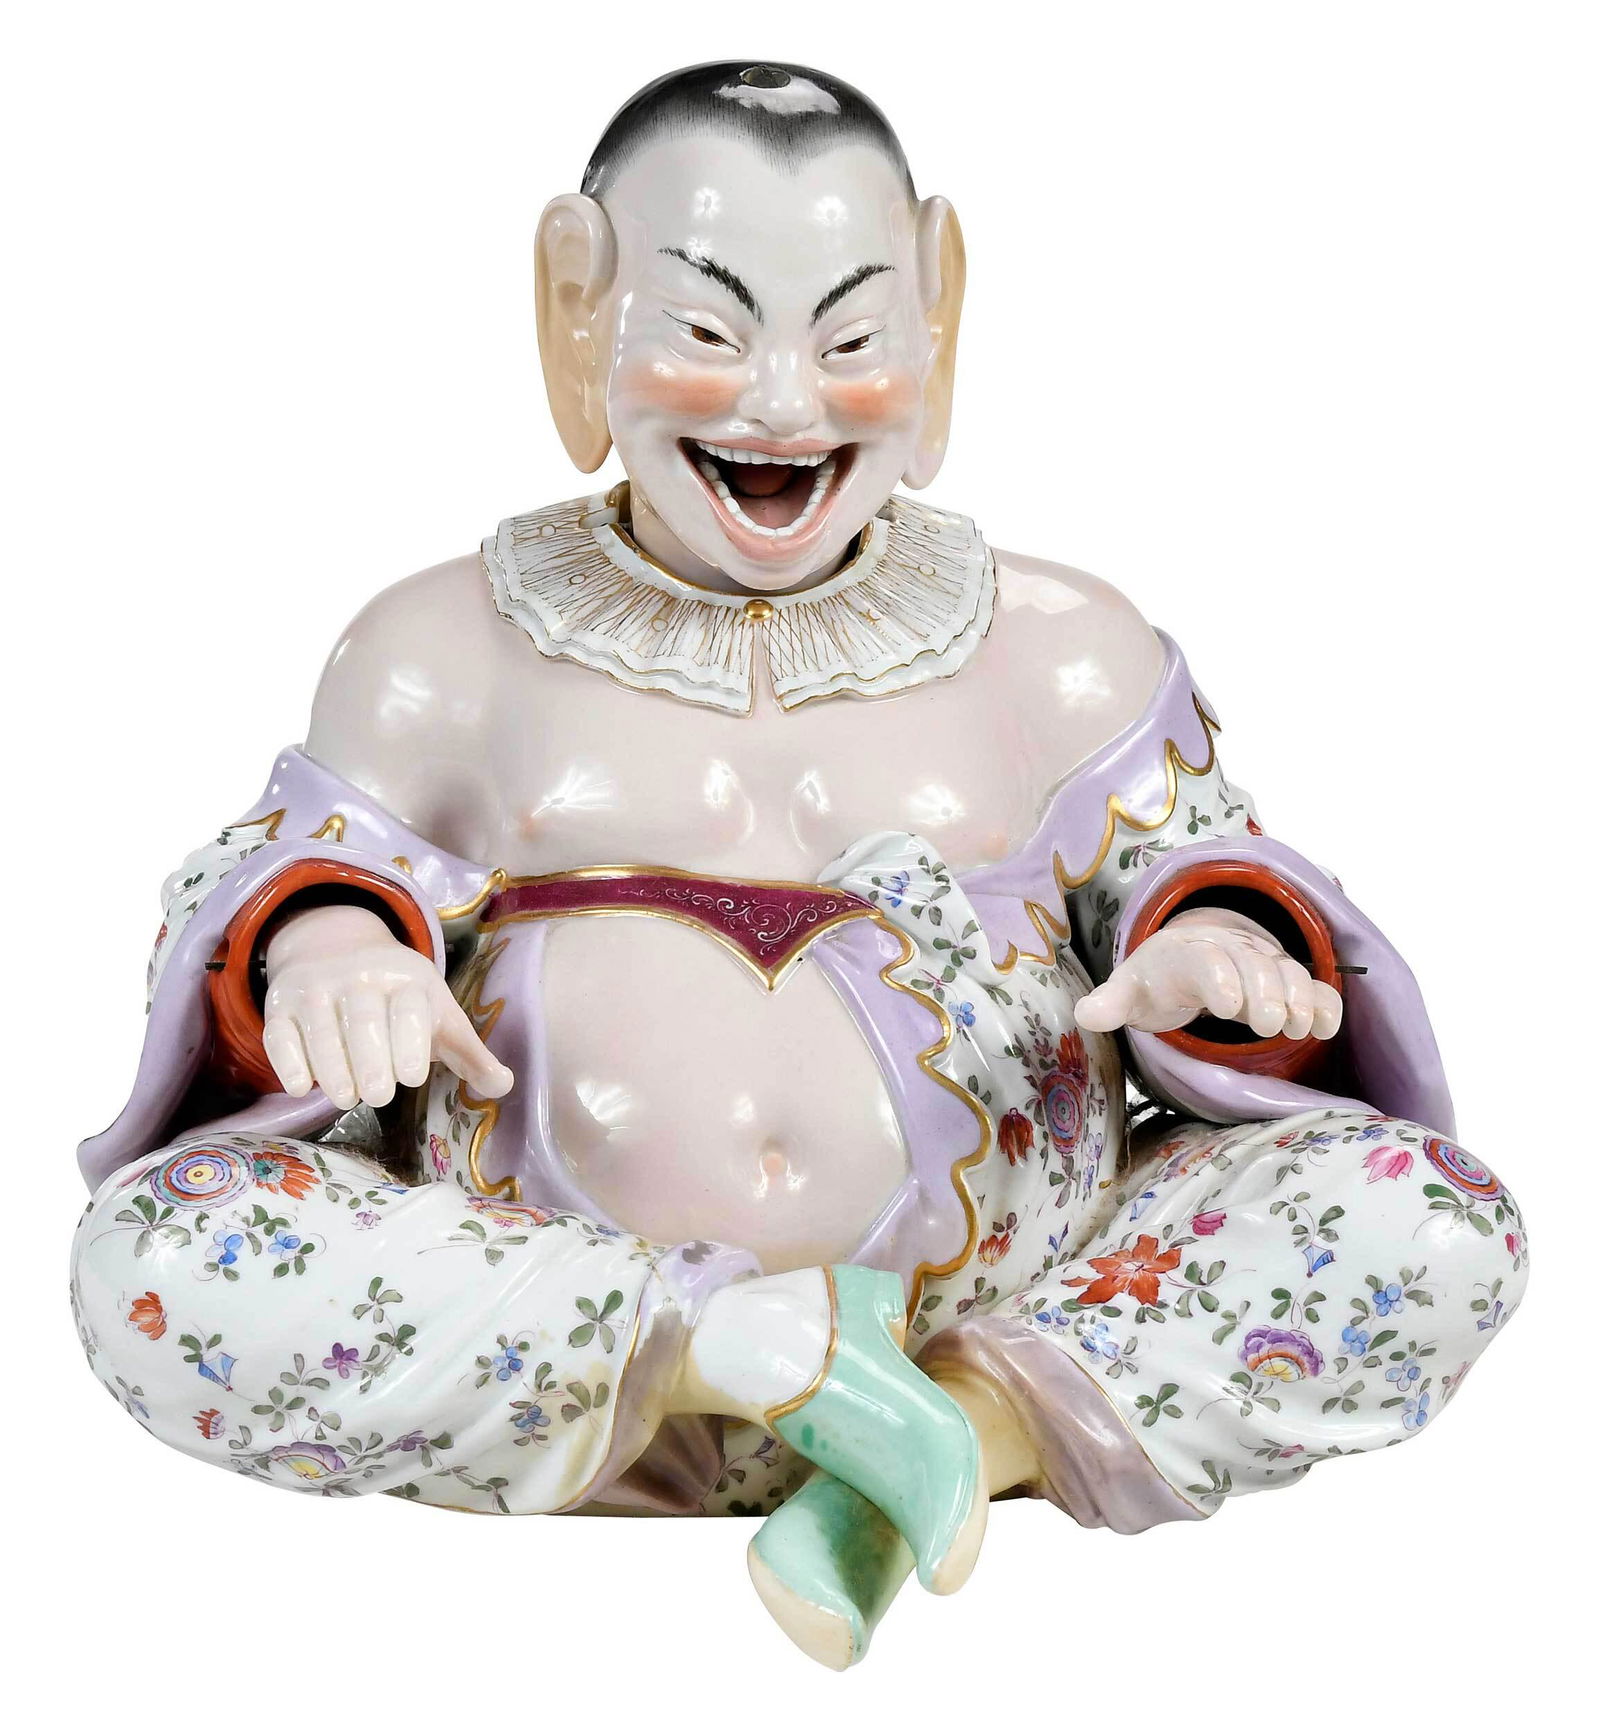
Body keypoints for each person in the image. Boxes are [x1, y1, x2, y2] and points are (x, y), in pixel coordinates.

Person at [72, 61, 1526, 1669]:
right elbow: (300, 864)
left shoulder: (1062, 649)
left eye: (848, 341)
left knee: (1430, 1221)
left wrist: (1214, 955)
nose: (781, 406)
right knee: (159, 1258)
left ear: (940, 317)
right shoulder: (440, 652)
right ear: (577, 312)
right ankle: (759, 1352)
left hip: (1018, 1306)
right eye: (707, 332)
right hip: (576, 1355)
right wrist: (332, 946)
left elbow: (1201, 860)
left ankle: (954, 1436)